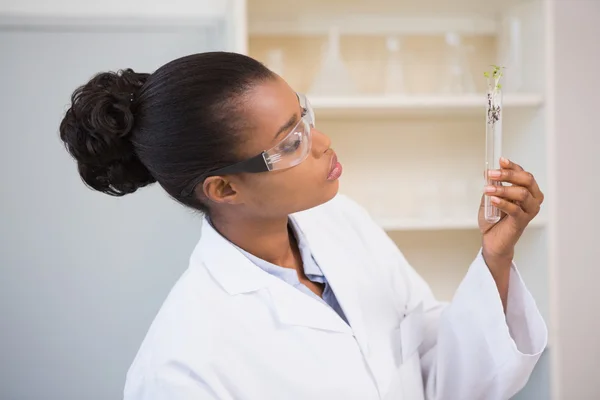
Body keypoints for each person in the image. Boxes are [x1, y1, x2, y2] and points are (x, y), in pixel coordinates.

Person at [59, 52, 547, 400]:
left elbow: (441, 377)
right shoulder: (182, 364)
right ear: (224, 189)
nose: (322, 142)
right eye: (290, 142)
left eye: (304, 115)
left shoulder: (341, 222)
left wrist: (496, 256)